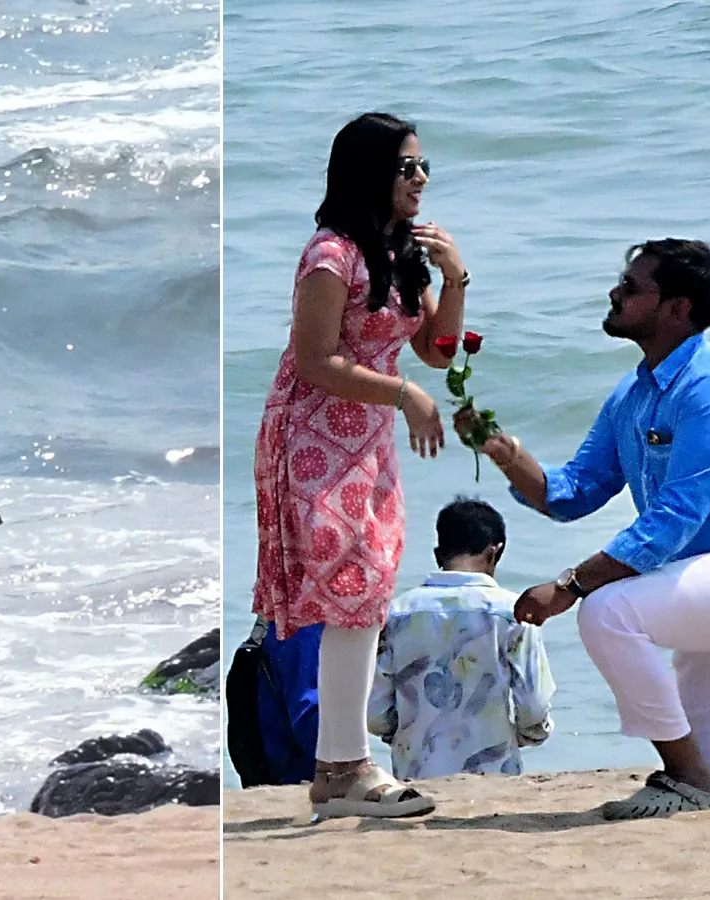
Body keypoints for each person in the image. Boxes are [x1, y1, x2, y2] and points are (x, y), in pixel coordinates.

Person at [458, 238, 710, 819]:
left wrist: (571, 585)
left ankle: (684, 778)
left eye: (631, 287)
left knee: (608, 611)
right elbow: (572, 492)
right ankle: (702, 778)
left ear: (678, 308)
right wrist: (502, 453)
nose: (614, 292)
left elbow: (675, 518)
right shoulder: (633, 392)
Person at [251, 112, 470, 818]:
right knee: (354, 587)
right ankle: (345, 768)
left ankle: (341, 769)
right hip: (312, 434)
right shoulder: (331, 253)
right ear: (369, 173)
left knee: (369, 586)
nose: (421, 179)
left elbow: (439, 349)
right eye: (407, 167)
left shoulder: (396, 249)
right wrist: (404, 394)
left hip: (367, 437)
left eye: (423, 166)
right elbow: (315, 360)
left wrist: (455, 276)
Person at [367, 498, 554, 780]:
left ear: (437, 555)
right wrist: (526, 735)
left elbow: (376, 711)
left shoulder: (396, 613)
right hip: (496, 773)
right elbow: (534, 707)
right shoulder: (513, 614)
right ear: (495, 552)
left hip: (415, 772)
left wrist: (401, 732)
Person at [226, 616, 323, 787]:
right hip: (294, 776)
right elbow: (308, 719)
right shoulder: (302, 631)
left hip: (272, 768)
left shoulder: (281, 623)